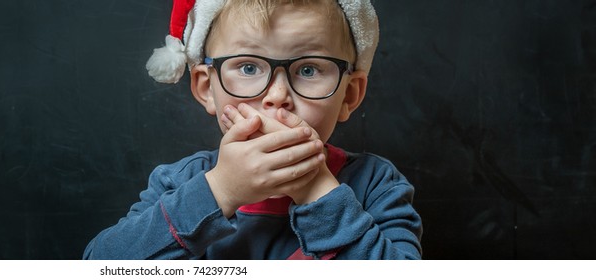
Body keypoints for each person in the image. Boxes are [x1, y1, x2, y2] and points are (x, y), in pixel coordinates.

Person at [83, 0, 422, 259]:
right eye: (248, 67)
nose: (277, 97)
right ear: (205, 87)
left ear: (349, 95)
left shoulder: (376, 185)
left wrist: (317, 189)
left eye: (308, 70)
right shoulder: (179, 183)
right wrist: (222, 191)